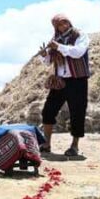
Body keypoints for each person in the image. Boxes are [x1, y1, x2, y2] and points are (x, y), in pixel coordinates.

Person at [38, 13, 90, 157]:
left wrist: (59, 46)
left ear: (69, 22)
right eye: (59, 24)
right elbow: (49, 61)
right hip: (60, 80)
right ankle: (47, 144)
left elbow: (78, 52)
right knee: (48, 110)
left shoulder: (80, 35)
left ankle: (74, 146)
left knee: (77, 112)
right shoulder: (55, 39)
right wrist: (44, 55)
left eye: (64, 23)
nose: (63, 26)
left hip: (77, 80)